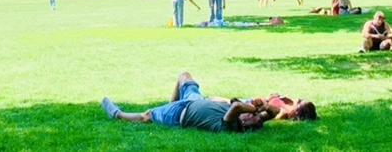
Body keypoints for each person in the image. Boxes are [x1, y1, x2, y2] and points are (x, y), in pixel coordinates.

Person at [100, 71, 267, 133]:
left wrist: (254, 108)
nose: (251, 114)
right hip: (194, 100)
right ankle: (168, 105)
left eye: (251, 116)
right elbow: (273, 111)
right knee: (184, 76)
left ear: (244, 123)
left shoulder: (230, 126)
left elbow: (237, 106)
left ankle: (118, 114)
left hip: (178, 115)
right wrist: (264, 107)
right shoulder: (242, 117)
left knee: (147, 115)